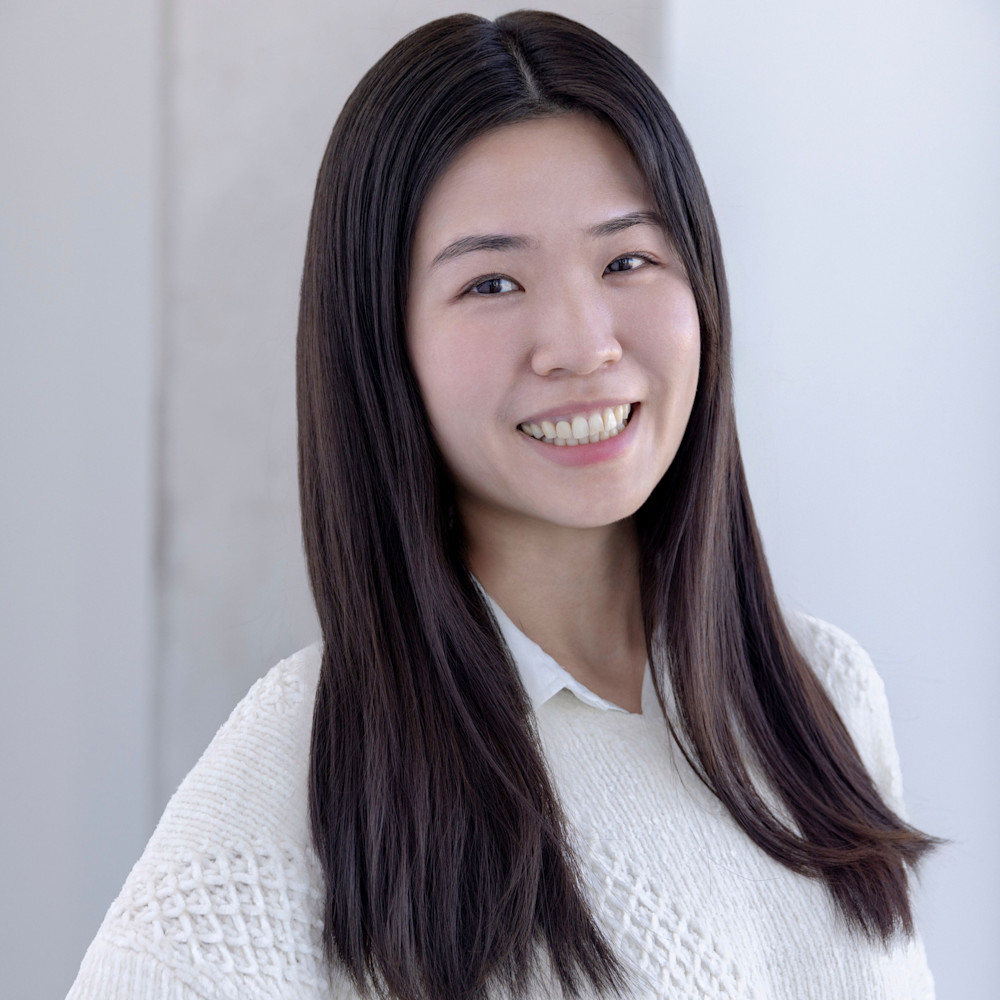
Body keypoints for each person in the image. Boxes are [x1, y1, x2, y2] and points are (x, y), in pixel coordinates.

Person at [67, 10, 940, 1000]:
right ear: (382, 344)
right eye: (491, 282)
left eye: (626, 260)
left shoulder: (820, 692)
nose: (581, 344)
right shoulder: (306, 772)